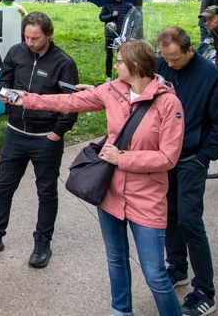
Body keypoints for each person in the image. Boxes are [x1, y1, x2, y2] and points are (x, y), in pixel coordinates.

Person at [10, 40, 185, 316]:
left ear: (136, 65)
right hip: (110, 191)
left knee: (154, 274)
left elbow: (168, 157)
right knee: (116, 259)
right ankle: (121, 310)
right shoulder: (112, 91)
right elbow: (67, 101)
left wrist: (123, 159)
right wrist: (25, 99)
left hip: (146, 197)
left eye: (119, 62)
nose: (115, 66)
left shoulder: (168, 103)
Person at [0, 11, 78, 268]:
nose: (30, 42)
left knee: (46, 191)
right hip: (15, 132)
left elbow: (71, 103)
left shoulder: (64, 63)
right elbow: (3, 80)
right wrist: (4, 94)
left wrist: (58, 132)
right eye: (27, 37)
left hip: (46, 137)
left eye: (36, 38)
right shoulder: (16, 53)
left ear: (49, 35)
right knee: (3, 187)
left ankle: (42, 242)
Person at [156, 27, 218, 316]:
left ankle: (205, 291)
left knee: (190, 221)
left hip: (192, 159)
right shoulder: (160, 65)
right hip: (164, 159)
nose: (170, 64)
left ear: (190, 50)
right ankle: (177, 267)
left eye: (175, 59)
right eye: (165, 58)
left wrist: (203, 158)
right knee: (169, 215)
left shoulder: (211, 76)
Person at [98, 0, 133, 81]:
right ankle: (108, 75)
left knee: (124, 56)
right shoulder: (107, 5)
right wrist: (111, 15)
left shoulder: (128, 6)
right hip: (110, 35)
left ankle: (125, 73)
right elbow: (101, 17)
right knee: (109, 56)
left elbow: (133, 18)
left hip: (123, 36)